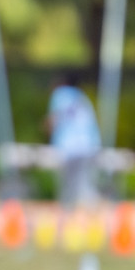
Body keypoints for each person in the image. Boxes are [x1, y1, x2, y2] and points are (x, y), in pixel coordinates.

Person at [45, 71, 101, 210]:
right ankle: (92, 214)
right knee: (85, 183)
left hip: (68, 145)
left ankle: (68, 214)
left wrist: (47, 131)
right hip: (89, 144)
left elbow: (53, 120)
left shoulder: (60, 95)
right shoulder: (81, 97)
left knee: (68, 185)